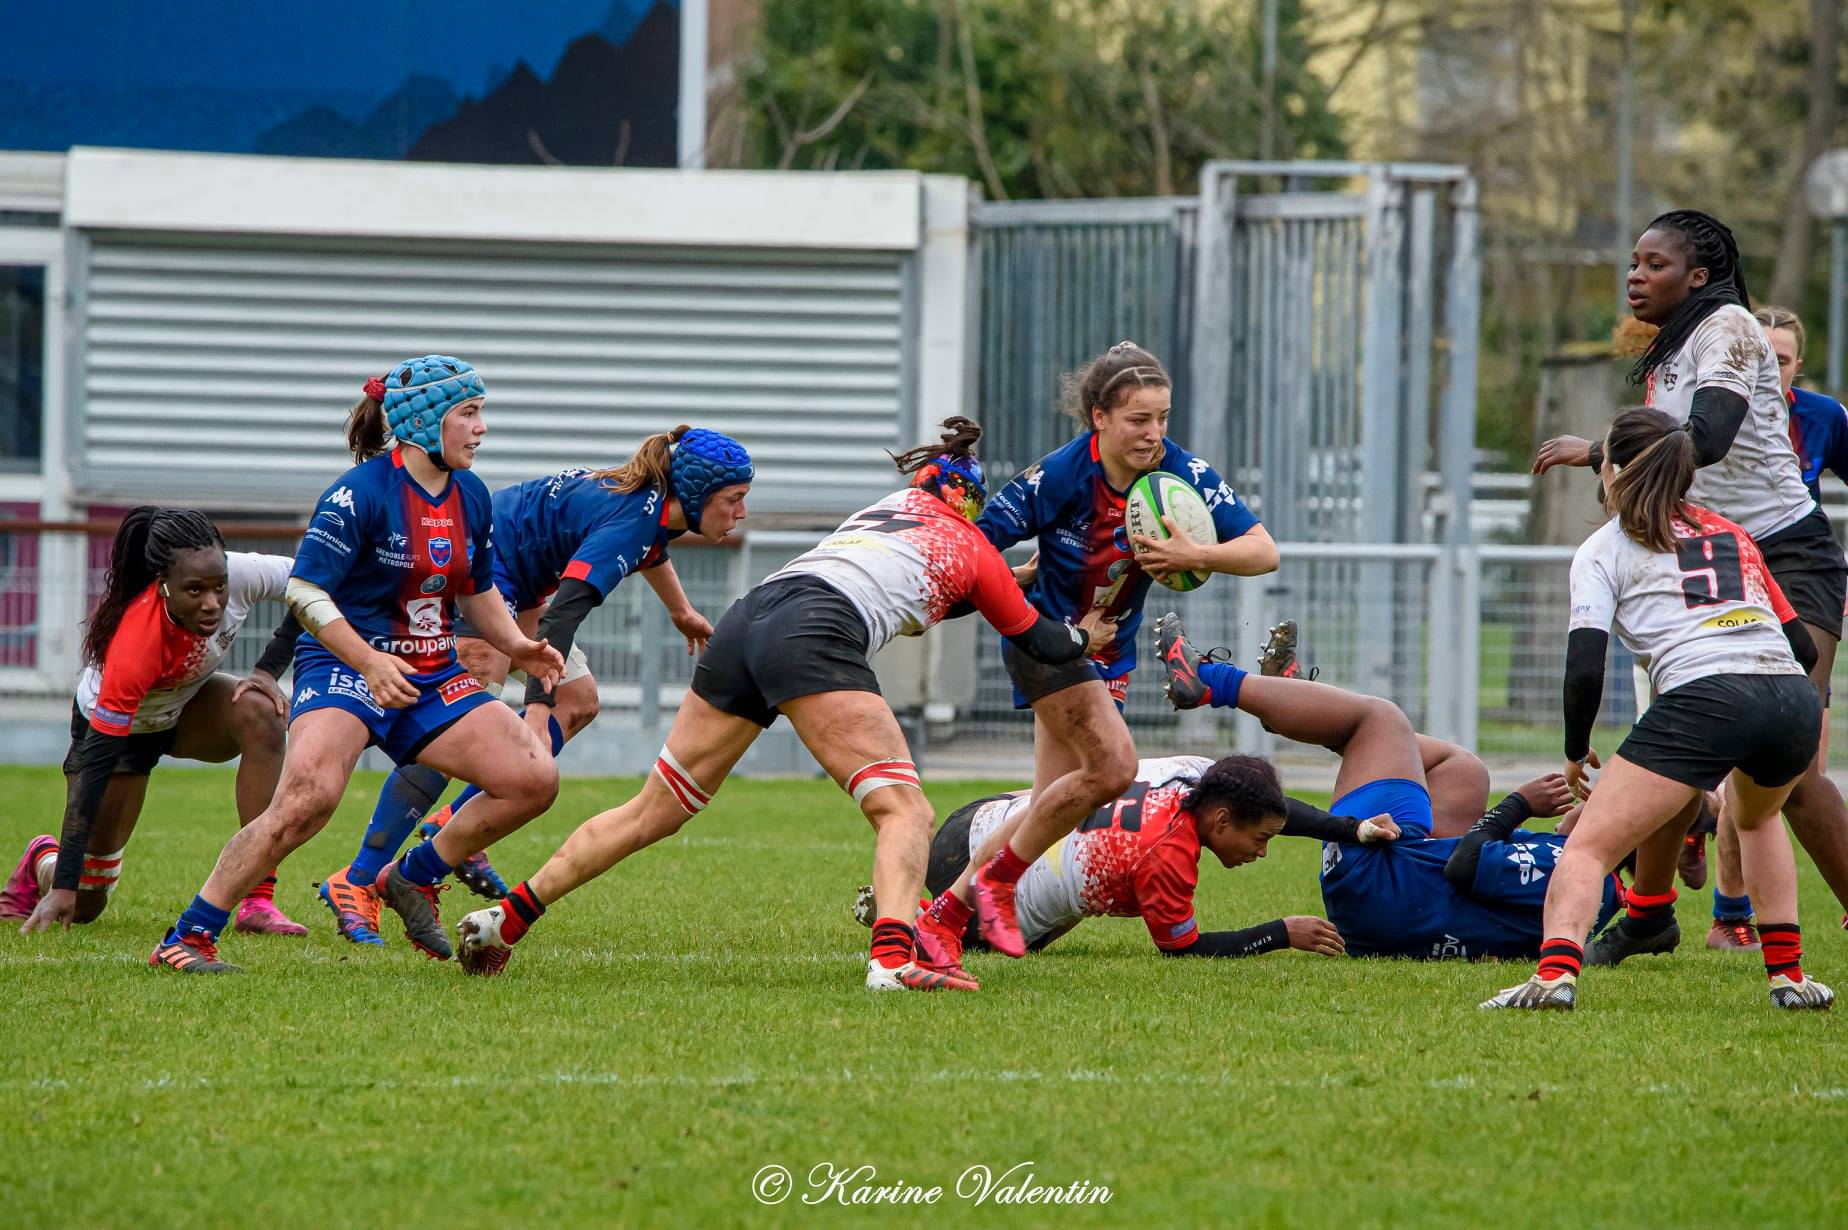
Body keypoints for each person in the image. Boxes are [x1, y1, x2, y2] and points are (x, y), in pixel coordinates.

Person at [452, 416, 1106, 991]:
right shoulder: (966, 542)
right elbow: (1039, 639)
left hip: (748, 621)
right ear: (969, 509)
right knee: (904, 808)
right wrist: (1085, 635)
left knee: (652, 811)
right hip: (814, 633)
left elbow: (930, 588)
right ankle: (892, 962)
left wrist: (1007, 581)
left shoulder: (885, 513)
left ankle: (503, 920)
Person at [149, 355, 565, 973]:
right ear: (425, 422)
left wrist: (520, 646)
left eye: (482, 414)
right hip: (346, 665)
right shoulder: (357, 494)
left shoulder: (472, 496)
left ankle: (411, 877)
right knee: (307, 800)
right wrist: (368, 661)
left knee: (533, 779)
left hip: (429, 670)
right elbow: (306, 592)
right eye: (469, 414)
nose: (482, 429)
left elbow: (476, 594)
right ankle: (187, 937)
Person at [1533, 210, 1848, 944]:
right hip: (1706, 548)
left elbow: (1705, 438)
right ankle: (1649, 916)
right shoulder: (1671, 348)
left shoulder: (1731, 327)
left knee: (1790, 759)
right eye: (1633, 262)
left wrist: (1601, 451)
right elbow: (1670, 447)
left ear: (1698, 275)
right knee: (1682, 735)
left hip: (1784, 552)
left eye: (1653, 264)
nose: (1635, 276)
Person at [915, 341, 1279, 968]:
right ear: (1099, 417)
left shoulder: (1181, 472)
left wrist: (1199, 556)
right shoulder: (1058, 476)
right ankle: (993, 888)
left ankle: (943, 917)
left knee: (1051, 803)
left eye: (1164, 417)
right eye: (1140, 420)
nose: (1155, 433)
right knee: (1112, 771)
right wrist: (1010, 585)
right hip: (1049, 645)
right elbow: (968, 543)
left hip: (1106, 658)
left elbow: (1262, 549)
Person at [316, 429, 749, 947]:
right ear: (699, 495)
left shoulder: (654, 511)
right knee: (454, 725)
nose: (741, 513)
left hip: (519, 581)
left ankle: (452, 826)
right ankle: (361, 877)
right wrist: (536, 711)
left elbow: (652, 552)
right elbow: (565, 612)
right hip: (481, 570)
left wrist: (682, 612)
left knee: (579, 700)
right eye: (734, 500)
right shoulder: (636, 518)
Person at [1484, 407, 1831, 1010]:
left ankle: (1553, 978)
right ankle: (1790, 979)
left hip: (1706, 694)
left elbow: (1585, 664)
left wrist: (1574, 751)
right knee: (1755, 819)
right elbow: (1802, 646)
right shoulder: (1732, 533)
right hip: (1791, 696)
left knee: (1589, 848)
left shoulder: (1604, 547)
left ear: (1610, 471)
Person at [1156, 616, 1617, 960]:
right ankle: (1303, 705)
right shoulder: (1592, 888)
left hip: (1379, 886)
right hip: (1391, 918)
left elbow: (1464, 866)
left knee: (1380, 720)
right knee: (1465, 771)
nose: (1585, 805)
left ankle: (1209, 682)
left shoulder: (1579, 868)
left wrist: (1519, 804)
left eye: (1609, 801)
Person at [2, 507, 306, 936]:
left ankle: (256, 900)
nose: (213, 602)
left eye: (219, 587)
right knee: (87, 902)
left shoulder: (241, 572)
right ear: (163, 586)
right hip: (121, 736)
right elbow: (95, 772)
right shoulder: (134, 645)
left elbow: (315, 582)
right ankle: (42, 860)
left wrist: (267, 670)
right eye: (195, 590)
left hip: (185, 709)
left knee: (261, 713)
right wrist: (65, 885)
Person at [1690, 306, 1848, 950]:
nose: (1767, 367)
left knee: (1789, 760)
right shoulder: (1707, 409)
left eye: (1779, 360)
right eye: (1759, 356)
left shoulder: (1821, 418)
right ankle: (1713, 903)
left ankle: (1713, 890)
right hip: (1723, 583)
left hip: (1798, 582)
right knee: (1738, 753)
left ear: (1795, 365)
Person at [895, 754, 1355, 959]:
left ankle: (919, 901)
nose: (1263, 851)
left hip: (976, 818)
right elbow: (1184, 949)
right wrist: (1281, 933)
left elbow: (1274, 806)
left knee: (1056, 819)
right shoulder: (1167, 858)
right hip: (975, 888)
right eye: (1260, 839)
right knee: (1035, 934)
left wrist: (1353, 829)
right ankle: (915, 914)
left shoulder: (1197, 774)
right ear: (1220, 821)